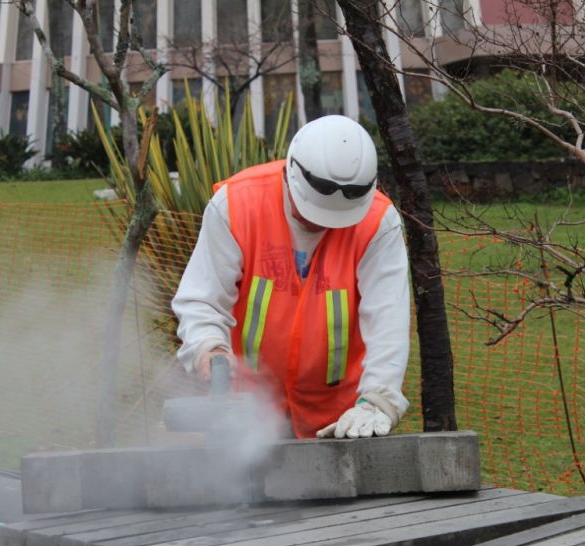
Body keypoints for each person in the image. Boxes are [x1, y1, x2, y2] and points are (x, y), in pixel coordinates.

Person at [172, 115, 410, 439]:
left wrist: (378, 400)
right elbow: (202, 300)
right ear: (289, 176)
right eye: (311, 212)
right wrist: (208, 349)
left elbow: (388, 319)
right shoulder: (237, 204)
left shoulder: (377, 223)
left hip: (338, 422)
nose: (321, 225)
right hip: (245, 413)